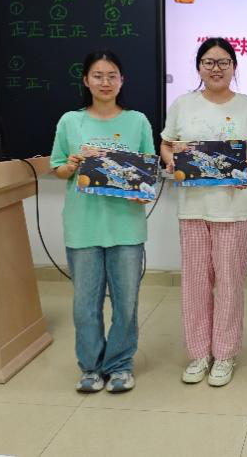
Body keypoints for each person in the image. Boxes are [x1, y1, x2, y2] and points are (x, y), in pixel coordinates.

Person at [160, 37, 247, 387]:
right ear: (199, 67)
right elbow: (166, 144)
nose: (216, 68)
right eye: (209, 62)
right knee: (195, 283)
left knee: (229, 284)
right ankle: (198, 354)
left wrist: (243, 166)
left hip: (234, 210)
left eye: (224, 62)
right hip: (193, 208)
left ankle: (224, 354)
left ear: (234, 67)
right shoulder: (183, 105)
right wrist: (173, 162)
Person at [50, 50, 155, 394]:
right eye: (98, 75)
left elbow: (147, 175)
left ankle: (120, 365)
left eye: (112, 75)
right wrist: (71, 165)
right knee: (85, 306)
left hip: (126, 227)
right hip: (83, 226)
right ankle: (91, 367)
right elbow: (58, 168)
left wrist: (142, 192)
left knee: (126, 304)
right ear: (86, 80)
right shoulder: (70, 121)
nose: (105, 82)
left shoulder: (137, 121)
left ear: (122, 81)